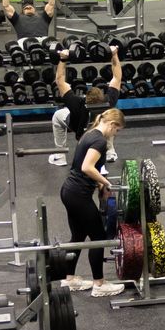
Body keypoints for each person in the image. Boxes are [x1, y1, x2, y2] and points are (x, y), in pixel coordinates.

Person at [59, 107, 126, 298]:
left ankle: (69, 278)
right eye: (117, 130)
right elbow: (87, 167)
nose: (116, 134)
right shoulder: (99, 141)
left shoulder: (89, 135)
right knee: (99, 237)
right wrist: (105, 182)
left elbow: (81, 167)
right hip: (78, 194)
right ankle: (99, 284)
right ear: (112, 124)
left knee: (78, 236)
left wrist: (99, 183)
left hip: (69, 190)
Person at [55, 41, 124, 143]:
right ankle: (109, 150)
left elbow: (59, 80)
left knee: (57, 115)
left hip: (82, 136)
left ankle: (60, 154)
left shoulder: (77, 103)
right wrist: (114, 55)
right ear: (102, 96)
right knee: (110, 119)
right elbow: (117, 78)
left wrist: (63, 59)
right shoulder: (109, 102)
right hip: (102, 134)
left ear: (85, 97)